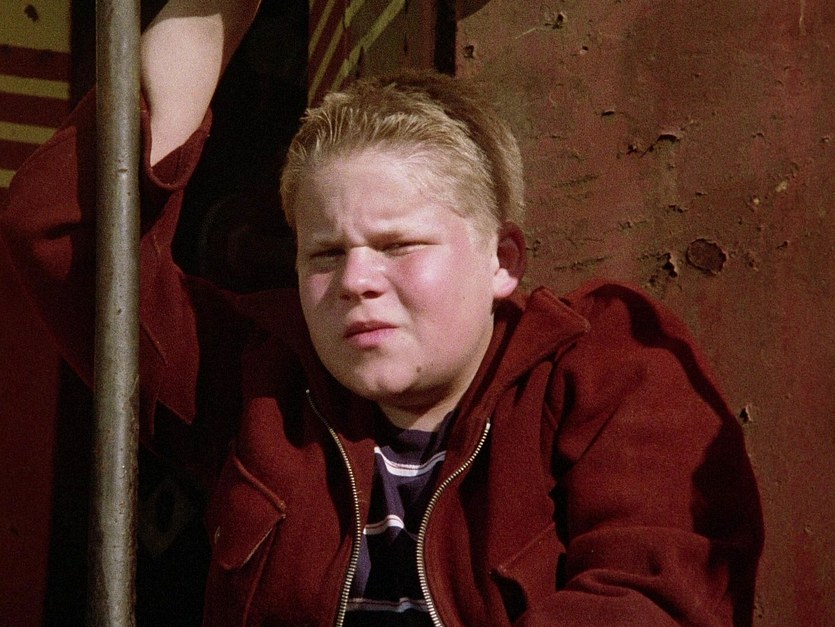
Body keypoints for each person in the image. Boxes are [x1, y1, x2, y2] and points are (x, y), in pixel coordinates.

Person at [0, 0, 763, 624]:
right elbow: (67, 235)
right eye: (323, 254)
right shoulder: (260, 383)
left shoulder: (609, 370)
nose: (355, 281)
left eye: (398, 245)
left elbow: (649, 600)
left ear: (502, 259)